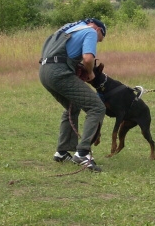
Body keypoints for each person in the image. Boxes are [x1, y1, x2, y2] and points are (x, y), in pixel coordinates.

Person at [39, 18, 107, 172]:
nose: (97, 41)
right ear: (98, 30)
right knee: (96, 107)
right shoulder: (90, 31)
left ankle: (62, 152)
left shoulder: (66, 28)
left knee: (73, 106)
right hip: (59, 72)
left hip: (44, 72)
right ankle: (82, 153)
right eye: (99, 39)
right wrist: (90, 73)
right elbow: (88, 58)